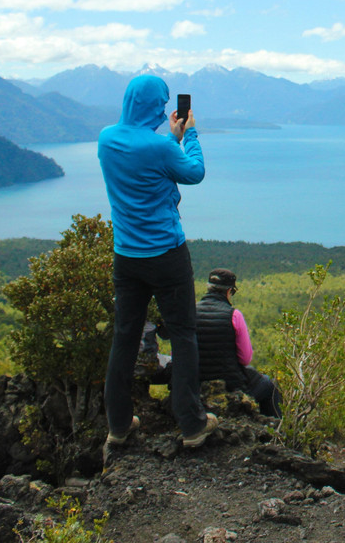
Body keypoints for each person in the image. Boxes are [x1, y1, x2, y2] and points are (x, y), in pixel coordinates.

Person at [98, 74, 218, 449]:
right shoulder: (160, 148)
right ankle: (192, 423)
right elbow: (193, 173)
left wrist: (171, 139)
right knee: (183, 335)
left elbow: (146, 155)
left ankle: (118, 425)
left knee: (125, 337)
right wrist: (190, 135)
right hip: (167, 256)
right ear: (155, 105)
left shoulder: (107, 139)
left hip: (126, 258)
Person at [196, 268, 282, 417]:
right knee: (269, 386)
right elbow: (245, 358)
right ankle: (274, 431)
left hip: (194, 384)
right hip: (231, 385)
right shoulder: (234, 315)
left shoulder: (189, 313)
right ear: (229, 291)